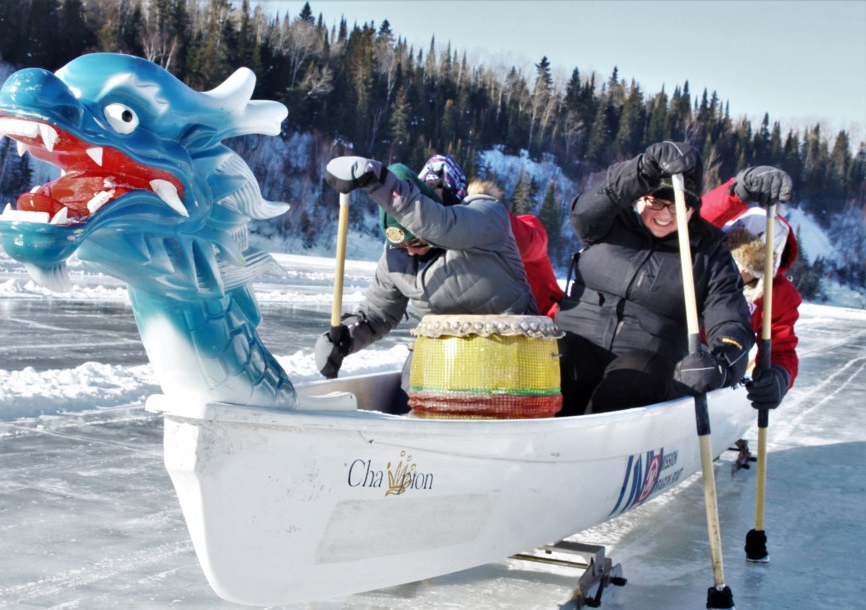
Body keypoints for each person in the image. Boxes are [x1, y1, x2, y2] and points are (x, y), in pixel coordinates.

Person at [554, 141, 755, 416]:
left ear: (693, 209)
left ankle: (599, 446)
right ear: (641, 198)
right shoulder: (610, 221)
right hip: (577, 343)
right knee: (556, 352)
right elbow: (582, 212)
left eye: (677, 207)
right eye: (657, 202)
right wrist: (640, 169)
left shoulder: (708, 253)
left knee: (637, 374)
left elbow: (731, 321)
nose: (664, 215)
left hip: (643, 365)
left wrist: (721, 363)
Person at [316, 154, 537, 394]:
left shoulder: (487, 217)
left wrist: (379, 181)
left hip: (508, 360)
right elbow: (376, 315)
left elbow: (442, 225)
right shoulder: (395, 257)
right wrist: (345, 338)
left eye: (418, 242)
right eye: (402, 246)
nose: (410, 251)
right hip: (439, 369)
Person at [700, 166, 801, 410]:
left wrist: (780, 376)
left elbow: (782, 348)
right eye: (733, 259)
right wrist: (738, 191)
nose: (738, 271)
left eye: (749, 266)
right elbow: (694, 219)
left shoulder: (777, 295)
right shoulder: (702, 260)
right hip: (679, 346)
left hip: (723, 360)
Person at [418, 155, 564, 318]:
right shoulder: (437, 249)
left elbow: (534, 241)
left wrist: (486, 220)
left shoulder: (514, 225)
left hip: (552, 326)